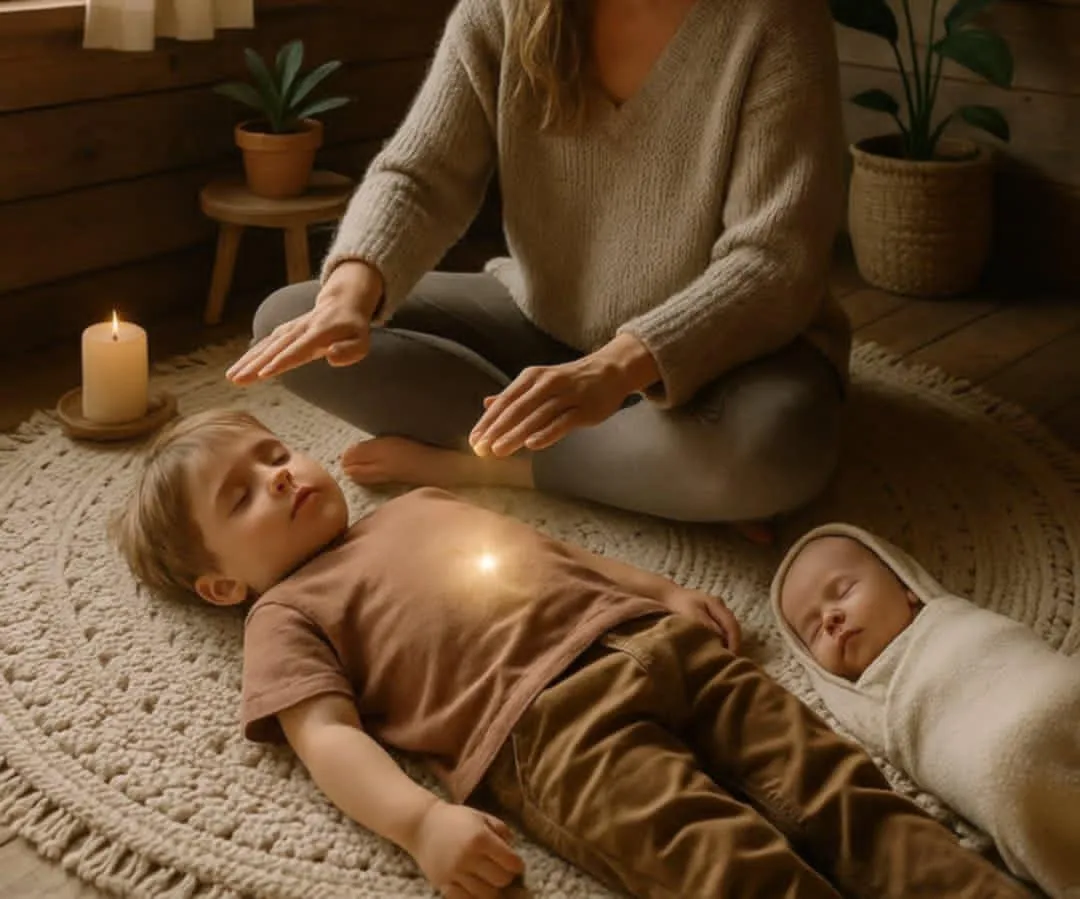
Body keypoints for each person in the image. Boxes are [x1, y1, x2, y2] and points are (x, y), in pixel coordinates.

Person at [110, 409, 1034, 899]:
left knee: (835, 784)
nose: (283, 474)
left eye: (275, 453)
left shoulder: (417, 506)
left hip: (657, 644)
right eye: (243, 496)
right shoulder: (285, 613)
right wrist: (419, 824)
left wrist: (661, 591)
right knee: (714, 858)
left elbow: (554, 556)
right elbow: (326, 738)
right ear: (222, 586)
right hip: (549, 733)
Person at [225, 0, 852, 532]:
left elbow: (774, 259)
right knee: (290, 322)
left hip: (729, 354)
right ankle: (642, 471)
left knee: (769, 452)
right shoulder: (504, 8)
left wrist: (615, 368)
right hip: (548, 323)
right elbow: (419, 175)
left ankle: (493, 464)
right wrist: (348, 296)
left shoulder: (777, 18)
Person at [771, 523, 1080, 899]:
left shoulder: (949, 616)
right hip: (1006, 765)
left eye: (843, 591)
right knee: (1011, 778)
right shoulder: (872, 705)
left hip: (1052, 689)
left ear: (906, 586)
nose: (830, 617)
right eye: (814, 629)